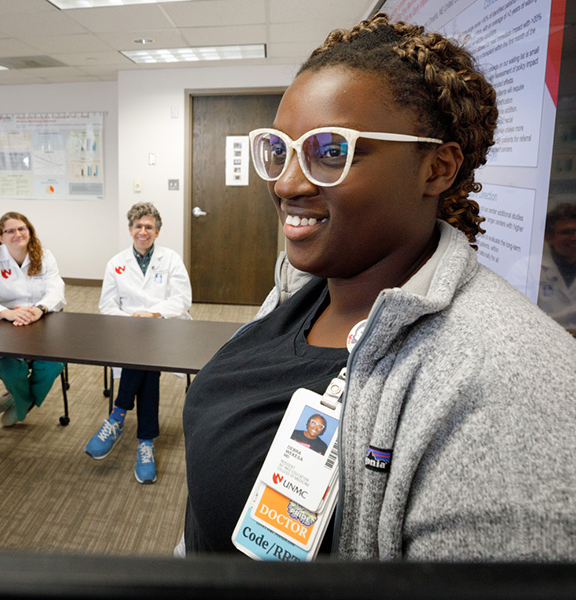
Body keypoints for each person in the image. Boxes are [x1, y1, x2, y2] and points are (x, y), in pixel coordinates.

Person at [182, 14, 576, 560]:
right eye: (280, 150)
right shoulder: (309, 289)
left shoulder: (507, 382)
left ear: (436, 168)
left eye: (331, 152)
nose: (287, 183)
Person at [84, 202, 191, 484]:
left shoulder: (171, 259)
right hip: (128, 331)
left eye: (148, 227)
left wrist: (153, 313)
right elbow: (106, 306)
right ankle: (145, 442)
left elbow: (182, 300)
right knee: (146, 364)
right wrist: (133, 319)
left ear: (157, 231)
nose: (143, 231)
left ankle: (117, 416)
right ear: (130, 229)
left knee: (145, 356)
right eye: (137, 226)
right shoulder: (116, 262)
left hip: (164, 327)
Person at [0, 212, 66, 427]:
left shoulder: (45, 256)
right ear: (0, 237)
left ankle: (18, 403)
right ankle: (23, 405)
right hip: (6, 324)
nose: (17, 234)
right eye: (10, 231)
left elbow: (57, 292)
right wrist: (7, 313)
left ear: (29, 232)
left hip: (42, 322)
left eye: (22, 229)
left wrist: (40, 309)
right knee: (12, 370)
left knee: (54, 365)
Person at [538, 202, 576, 335]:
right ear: (549, 237)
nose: (574, 238)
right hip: (546, 339)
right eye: (567, 232)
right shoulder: (528, 268)